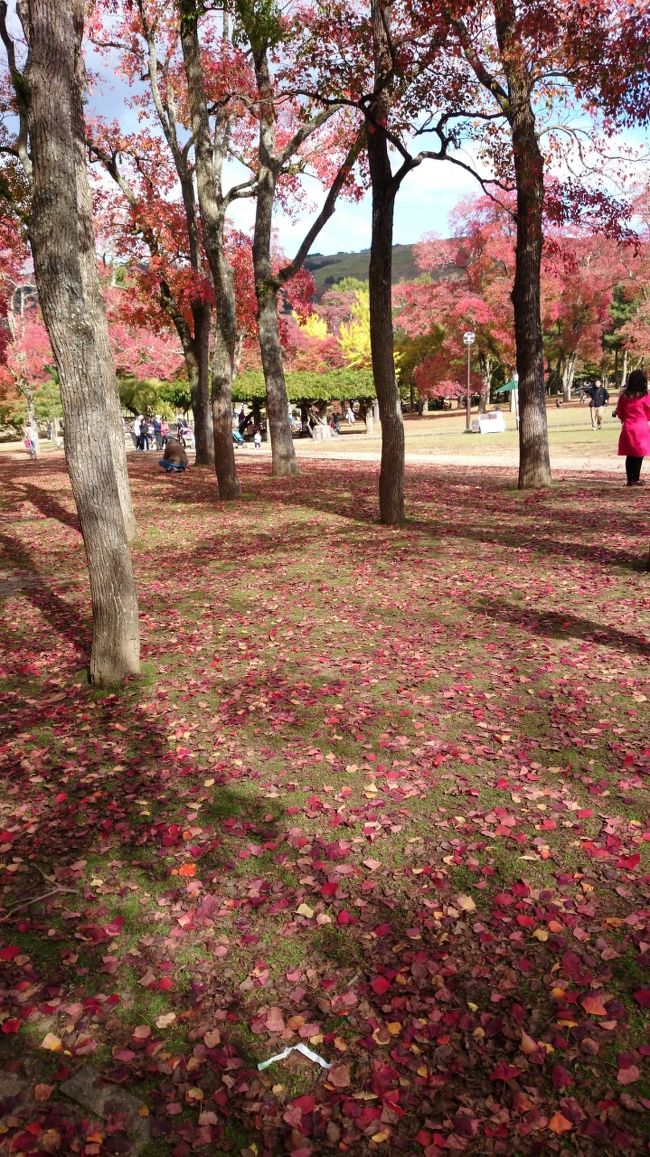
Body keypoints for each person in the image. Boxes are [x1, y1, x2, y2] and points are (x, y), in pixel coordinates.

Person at [614, 369, 650, 486]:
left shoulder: (624, 396)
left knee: (630, 454)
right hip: (641, 426)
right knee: (639, 454)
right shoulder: (645, 396)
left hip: (628, 426)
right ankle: (636, 478)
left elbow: (620, 412)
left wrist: (625, 419)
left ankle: (630, 479)